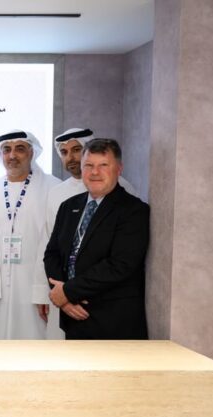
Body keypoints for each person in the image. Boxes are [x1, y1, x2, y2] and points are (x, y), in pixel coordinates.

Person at [33, 128, 139, 339]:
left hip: (108, 316)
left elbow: (119, 264)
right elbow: (51, 251)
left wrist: (68, 292)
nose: (95, 172)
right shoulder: (65, 202)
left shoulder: (132, 206)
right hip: (68, 311)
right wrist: (62, 297)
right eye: (89, 165)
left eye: (103, 165)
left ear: (118, 169)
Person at [0, 130, 60, 339]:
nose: (12, 155)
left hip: (36, 284)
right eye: (6, 150)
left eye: (20, 149)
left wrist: (43, 289)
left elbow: (56, 243)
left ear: (31, 153)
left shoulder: (53, 188)